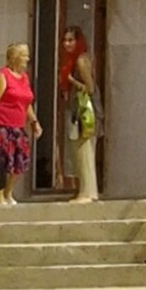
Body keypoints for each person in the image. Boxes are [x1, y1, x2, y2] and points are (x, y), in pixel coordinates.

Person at [0, 41, 40, 206]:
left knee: (19, 161)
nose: (27, 59)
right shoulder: (2, 76)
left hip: (18, 126)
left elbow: (26, 103)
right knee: (1, 161)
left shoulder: (24, 78)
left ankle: (9, 193)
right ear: (15, 57)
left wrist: (34, 121)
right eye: (24, 55)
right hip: (2, 124)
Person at [59, 24, 99, 203]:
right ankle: (85, 190)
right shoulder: (70, 60)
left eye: (70, 40)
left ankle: (88, 192)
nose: (67, 44)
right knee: (78, 152)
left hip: (85, 112)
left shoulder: (81, 60)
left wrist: (72, 80)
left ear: (78, 41)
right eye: (65, 40)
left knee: (84, 151)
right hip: (76, 111)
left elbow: (90, 88)